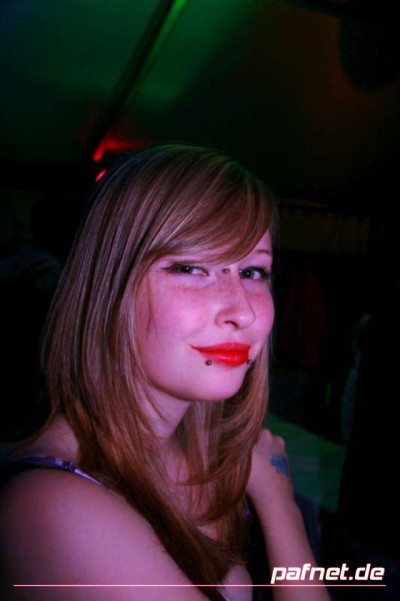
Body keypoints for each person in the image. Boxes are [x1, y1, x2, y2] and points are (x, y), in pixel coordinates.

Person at [0, 144, 330, 601]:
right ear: (109, 287)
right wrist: (279, 504)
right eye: (191, 268)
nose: (243, 312)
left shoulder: (197, 461)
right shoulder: (53, 509)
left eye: (254, 272)